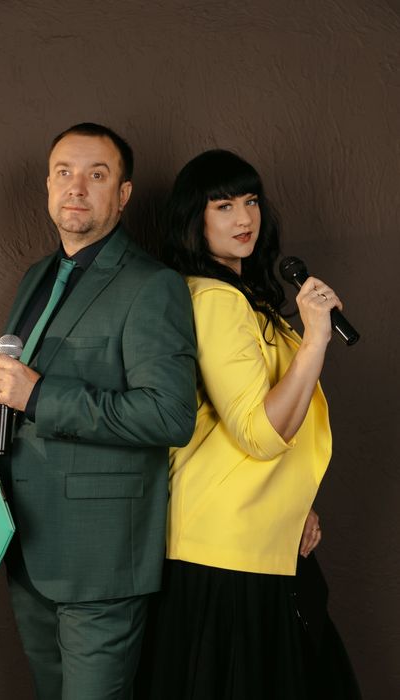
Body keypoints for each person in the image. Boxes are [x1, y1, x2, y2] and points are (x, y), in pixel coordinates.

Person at [0, 122, 197, 700]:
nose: (77, 187)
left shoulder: (153, 285)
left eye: (97, 174)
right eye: (64, 172)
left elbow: (169, 415)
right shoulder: (37, 275)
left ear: (124, 193)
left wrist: (40, 396)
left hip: (100, 562)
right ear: (48, 185)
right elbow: (9, 381)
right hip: (23, 544)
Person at [136, 149, 362, 699]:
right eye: (223, 206)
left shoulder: (243, 298)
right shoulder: (214, 298)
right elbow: (260, 434)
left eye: (251, 201)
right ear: (194, 219)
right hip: (226, 547)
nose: (244, 218)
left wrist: (294, 505)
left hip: (250, 538)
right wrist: (315, 339)